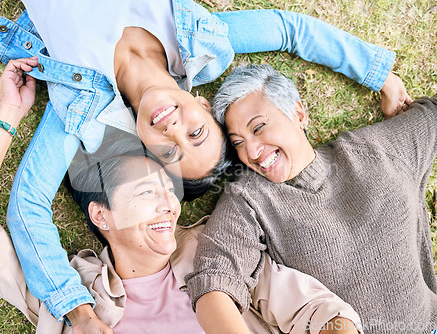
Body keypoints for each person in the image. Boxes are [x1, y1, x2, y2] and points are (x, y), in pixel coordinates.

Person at [0, 0, 412, 326]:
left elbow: (27, 204)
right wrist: (379, 75)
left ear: (144, 147)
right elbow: (287, 29)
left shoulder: (78, 109)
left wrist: (78, 312)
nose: (173, 131)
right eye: (196, 133)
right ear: (204, 104)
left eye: (169, 152)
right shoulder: (202, 41)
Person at [0, 59, 365, 334]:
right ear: (101, 215)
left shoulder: (216, 256)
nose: (168, 204)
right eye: (146, 192)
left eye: (168, 191)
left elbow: (318, 310)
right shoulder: (71, 290)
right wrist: (7, 114)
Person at [186, 64, 437, 334]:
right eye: (238, 143)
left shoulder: (374, 150)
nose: (253, 151)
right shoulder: (248, 197)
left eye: (258, 128)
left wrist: (385, 81)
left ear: (298, 113)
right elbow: (214, 281)